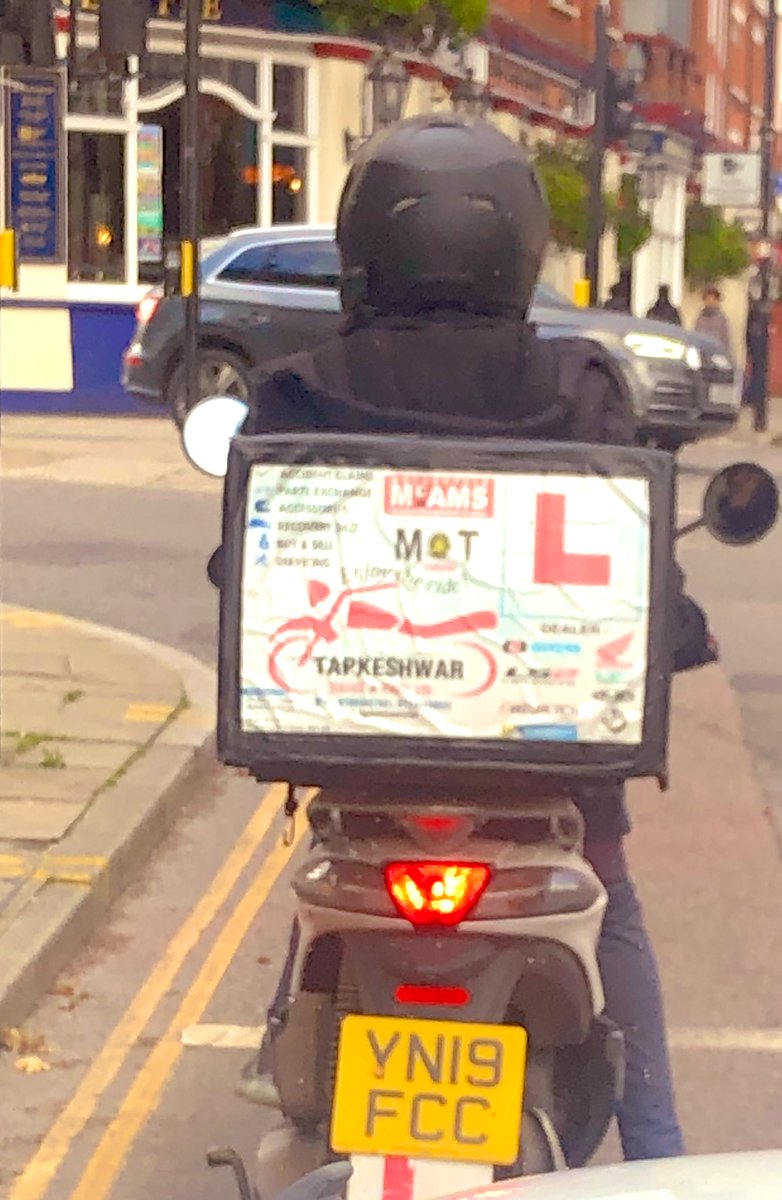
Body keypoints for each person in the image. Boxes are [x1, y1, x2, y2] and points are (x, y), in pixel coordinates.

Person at [229, 115, 718, 1162]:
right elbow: (637, 573)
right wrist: (673, 628)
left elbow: (248, 570)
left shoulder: (297, 384)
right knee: (609, 889)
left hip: (363, 760)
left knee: (326, 864)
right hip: (550, 773)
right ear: (518, 245)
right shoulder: (579, 388)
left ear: (363, 245)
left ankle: (291, 1035)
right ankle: (660, 1155)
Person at [694, 286, 732, 357]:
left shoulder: (721, 319)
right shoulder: (700, 317)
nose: (709, 301)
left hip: (716, 357)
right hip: (702, 356)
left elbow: (725, 341)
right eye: (707, 299)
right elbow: (696, 336)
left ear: (717, 301)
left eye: (712, 299)